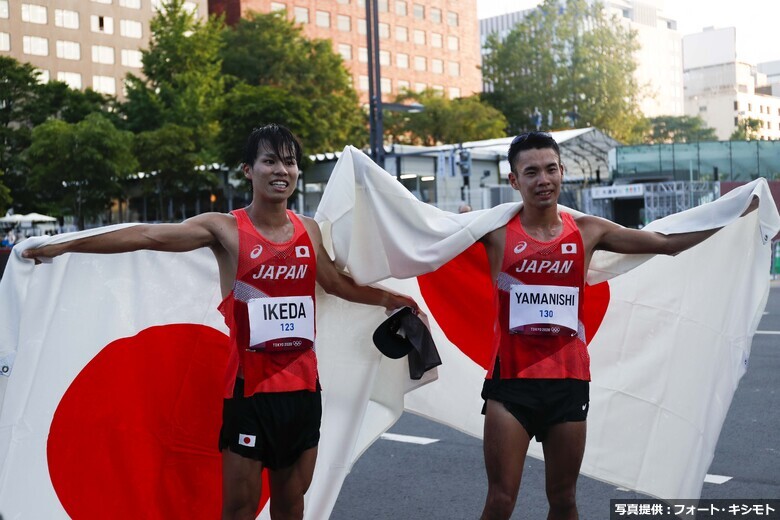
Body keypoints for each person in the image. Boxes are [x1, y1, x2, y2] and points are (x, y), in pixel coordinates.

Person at [22, 124, 416, 520]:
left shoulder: (308, 230)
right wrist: (65, 245)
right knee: (239, 510)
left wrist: (392, 299)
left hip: (303, 392)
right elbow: (147, 236)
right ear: (248, 170)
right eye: (270, 161)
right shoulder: (225, 229)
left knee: (291, 505)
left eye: (290, 162)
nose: (282, 170)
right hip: (248, 393)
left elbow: (335, 284)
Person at [477, 131, 755, 520]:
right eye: (531, 172)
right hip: (511, 385)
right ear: (513, 180)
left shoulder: (589, 231)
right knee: (501, 500)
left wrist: (733, 215)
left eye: (551, 169)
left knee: (564, 500)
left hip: (568, 382)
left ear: (562, 172)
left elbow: (665, 242)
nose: (543, 180)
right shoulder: (494, 232)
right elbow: (422, 235)